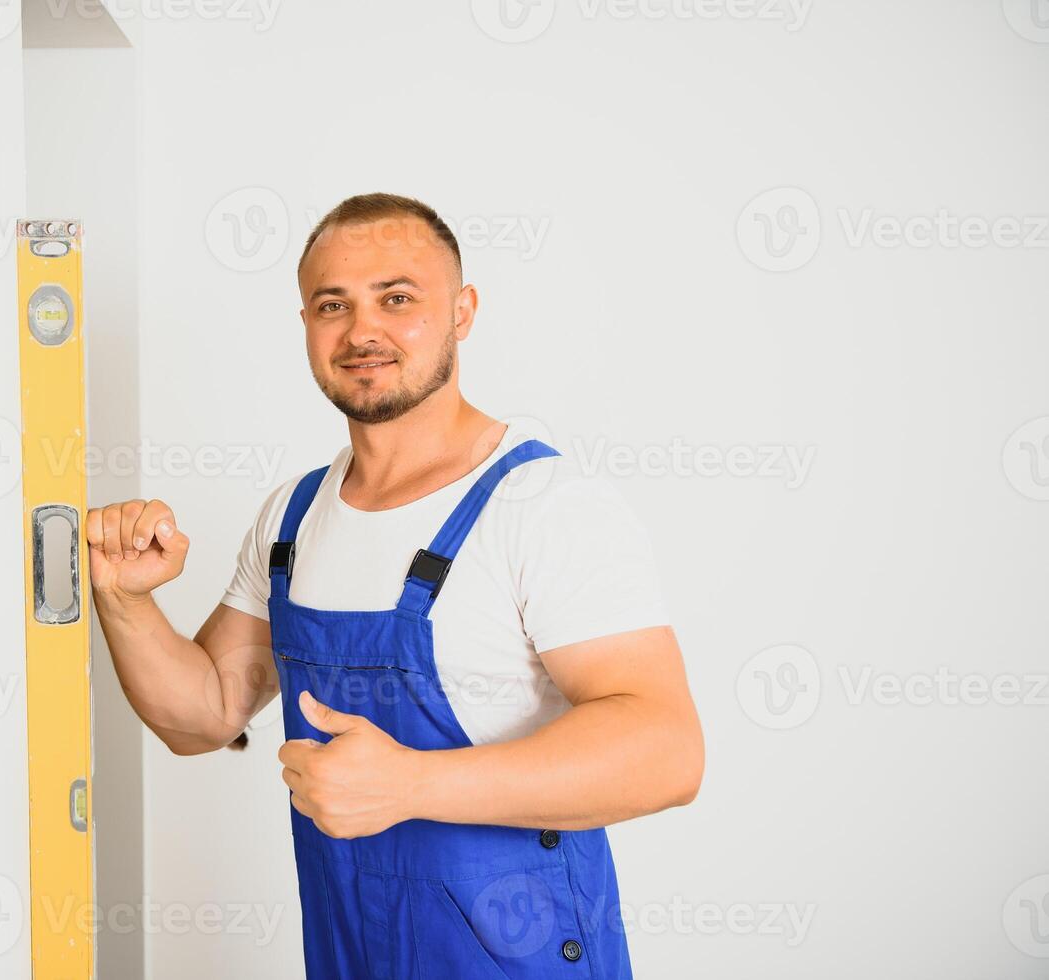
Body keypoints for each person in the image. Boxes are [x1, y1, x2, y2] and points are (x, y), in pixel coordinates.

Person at [87, 193, 704, 979]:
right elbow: (202, 715)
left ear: (463, 313)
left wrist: (411, 783)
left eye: (398, 298)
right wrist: (125, 599)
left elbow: (666, 750)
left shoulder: (543, 507)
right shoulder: (292, 516)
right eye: (331, 305)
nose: (361, 331)